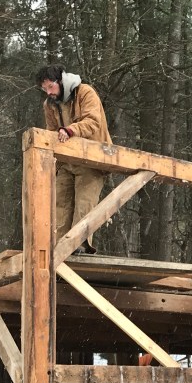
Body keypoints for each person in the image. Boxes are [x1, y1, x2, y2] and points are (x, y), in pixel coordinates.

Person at [35, 64, 112, 254]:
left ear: (61, 81)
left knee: (84, 205)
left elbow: (93, 122)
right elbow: (51, 132)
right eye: (44, 89)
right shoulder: (49, 105)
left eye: (50, 86)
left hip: (92, 159)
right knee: (59, 204)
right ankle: (58, 249)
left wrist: (71, 130)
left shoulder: (85, 92)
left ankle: (79, 246)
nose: (48, 92)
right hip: (66, 161)